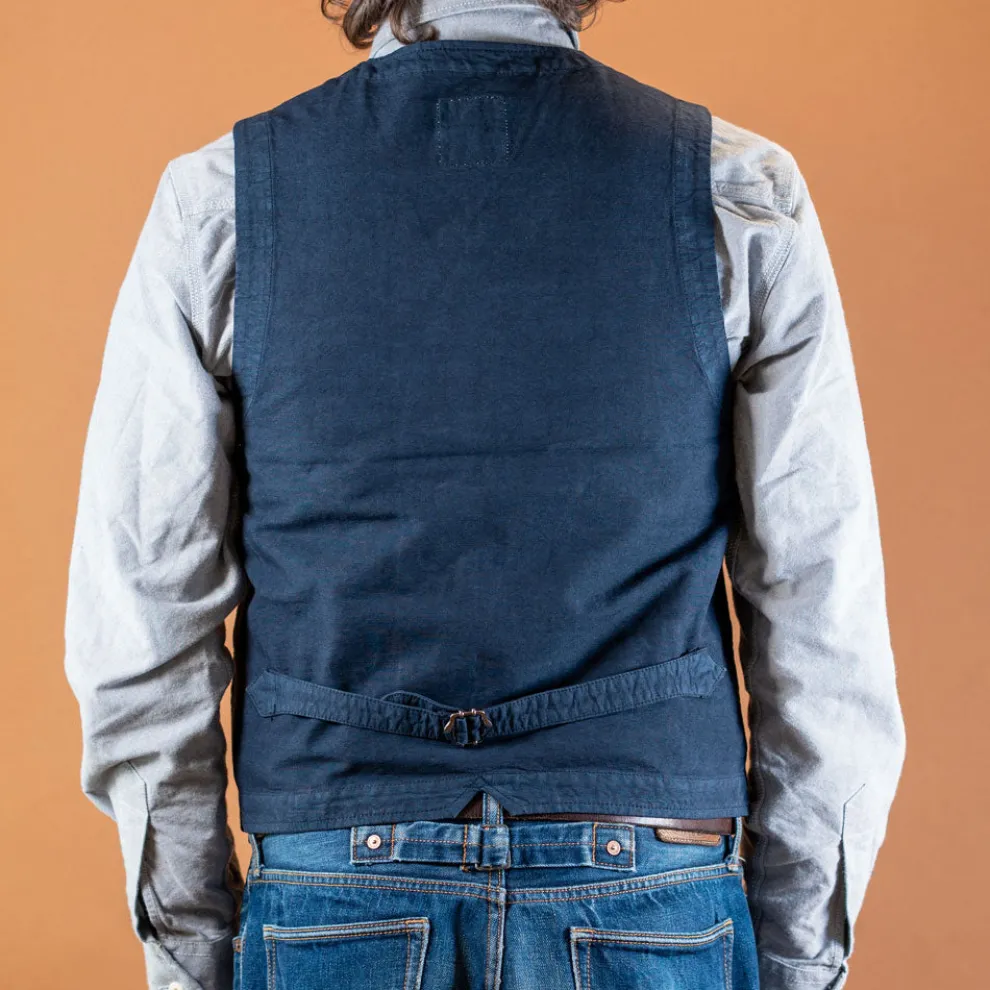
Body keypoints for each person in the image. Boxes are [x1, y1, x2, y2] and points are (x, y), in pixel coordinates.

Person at [63, 2, 907, 989]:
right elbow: (821, 609)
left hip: (339, 883)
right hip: (649, 889)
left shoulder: (221, 201)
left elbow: (142, 629)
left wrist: (194, 950)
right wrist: (797, 957)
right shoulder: (738, 192)